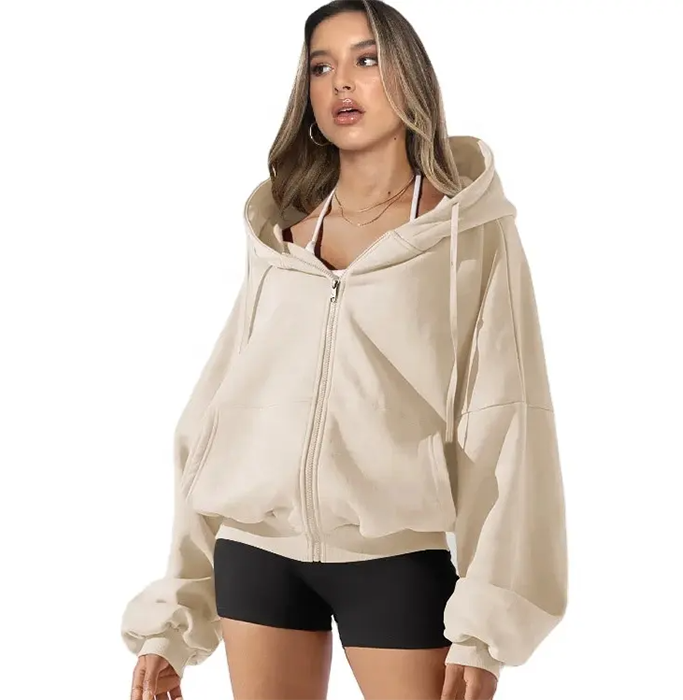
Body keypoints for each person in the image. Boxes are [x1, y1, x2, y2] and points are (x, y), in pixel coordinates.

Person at [120, 1, 568, 698]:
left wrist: (484, 630)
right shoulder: (283, 238)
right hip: (256, 553)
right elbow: (216, 418)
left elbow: (507, 423)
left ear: (410, 76)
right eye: (321, 67)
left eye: (366, 60)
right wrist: (173, 617)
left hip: (393, 558)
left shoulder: (468, 234)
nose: (342, 84)